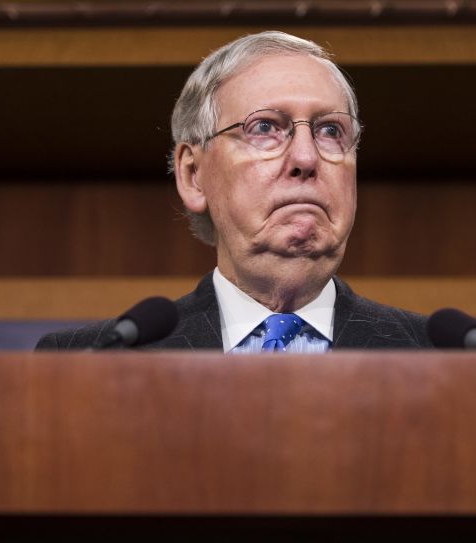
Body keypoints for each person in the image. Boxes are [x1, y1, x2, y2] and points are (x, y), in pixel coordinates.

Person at [37, 31, 430, 352]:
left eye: (330, 130)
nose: (307, 157)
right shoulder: (87, 362)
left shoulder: (446, 356)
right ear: (193, 174)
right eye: (264, 128)